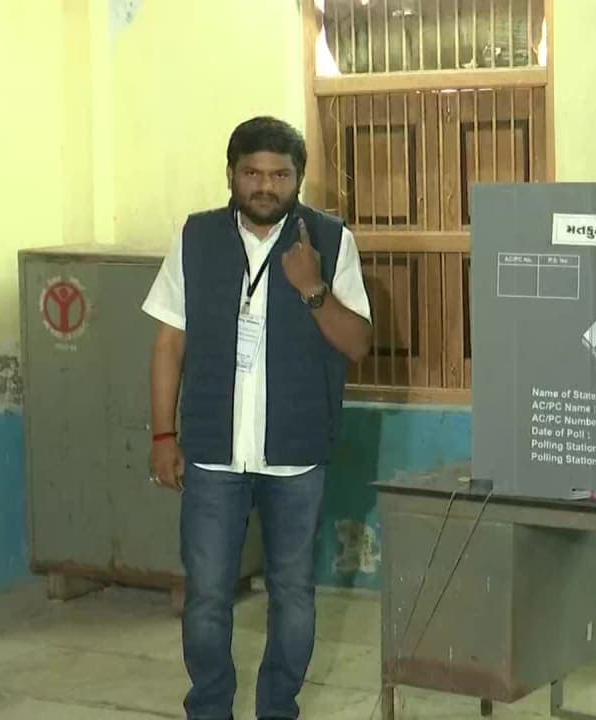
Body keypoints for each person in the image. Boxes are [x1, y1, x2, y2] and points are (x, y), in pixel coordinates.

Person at [141, 115, 373, 720]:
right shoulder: (195, 238)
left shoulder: (329, 239)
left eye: (280, 174)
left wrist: (313, 288)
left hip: (296, 456)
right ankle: (210, 708)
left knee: (292, 594)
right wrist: (164, 435)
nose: (265, 186)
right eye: (252, 173)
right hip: (214, 452)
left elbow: (357, 344)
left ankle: (278, 709)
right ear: (232, 175)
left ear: (298, 177)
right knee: (208, 596)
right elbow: (169, 342)